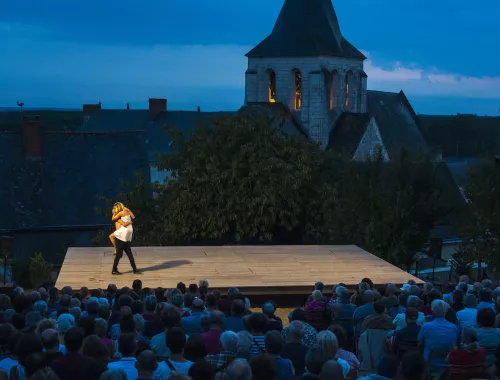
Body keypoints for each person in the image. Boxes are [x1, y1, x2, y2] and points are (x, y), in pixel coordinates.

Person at [418, 300, 459, 371]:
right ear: (446, 312)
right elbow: (455, 346)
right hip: (448, 364)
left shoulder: (426, 326)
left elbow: (419, 344)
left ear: (433, 312)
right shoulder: (454, 328)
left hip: (429, 364)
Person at [110, 202, 141, 275]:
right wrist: (130, 222)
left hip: (125, 236)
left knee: (127, 254)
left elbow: (132, 217)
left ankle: (134, 269)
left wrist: (115, 213)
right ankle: (115, 270)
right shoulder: (120, 216)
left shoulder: (122, 212)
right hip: (121, 236)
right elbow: (131, 218)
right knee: (121, 255)